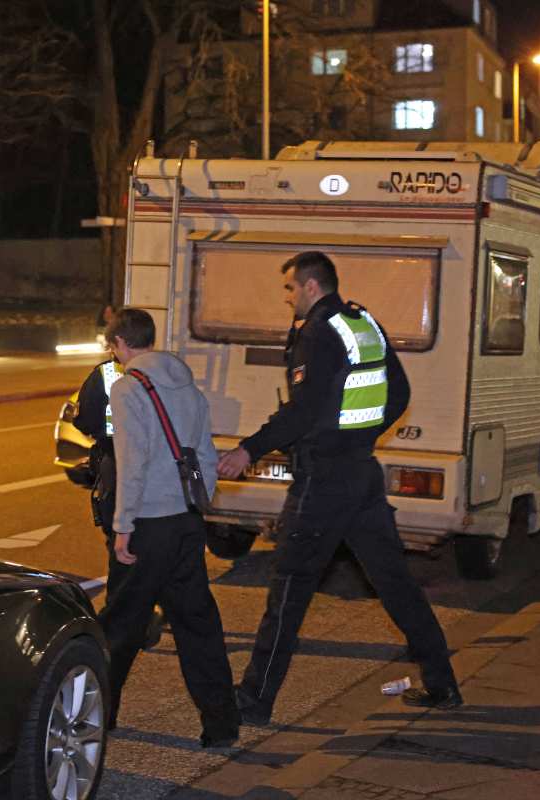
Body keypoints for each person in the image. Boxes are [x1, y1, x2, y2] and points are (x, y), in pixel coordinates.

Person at [217, 250, 461, 725]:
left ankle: (254, 700)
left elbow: (303, 412)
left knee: (289, 588)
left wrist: (248, 450)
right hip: (361, 474)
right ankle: (442, 683)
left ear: (311, 287)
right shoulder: (361, 322)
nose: (286, 297)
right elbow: (400, 392)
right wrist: (363, 435)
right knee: (395, 583)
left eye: (290, 288)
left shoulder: (318, 333)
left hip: (324, 480)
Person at [100, 307, 240, 749]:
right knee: (197, 624)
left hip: (148, 524)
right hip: (185, 523)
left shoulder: (128, 389)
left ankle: (98, 718)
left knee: (119, 628)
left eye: (113, 347)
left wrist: (124, 526)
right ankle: (221, 725)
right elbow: (206, 455)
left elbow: (131, 462)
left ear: (120, 344)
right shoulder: (189, 387)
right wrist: (197, 506)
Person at [73, 354, 165, 650]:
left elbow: (85, 420)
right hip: (160, 466)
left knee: (121, 545)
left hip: (119, 463)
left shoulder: (108, 373)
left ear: (118, 343)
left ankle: (124, 623)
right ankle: (155, 612)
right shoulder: (166, 366)